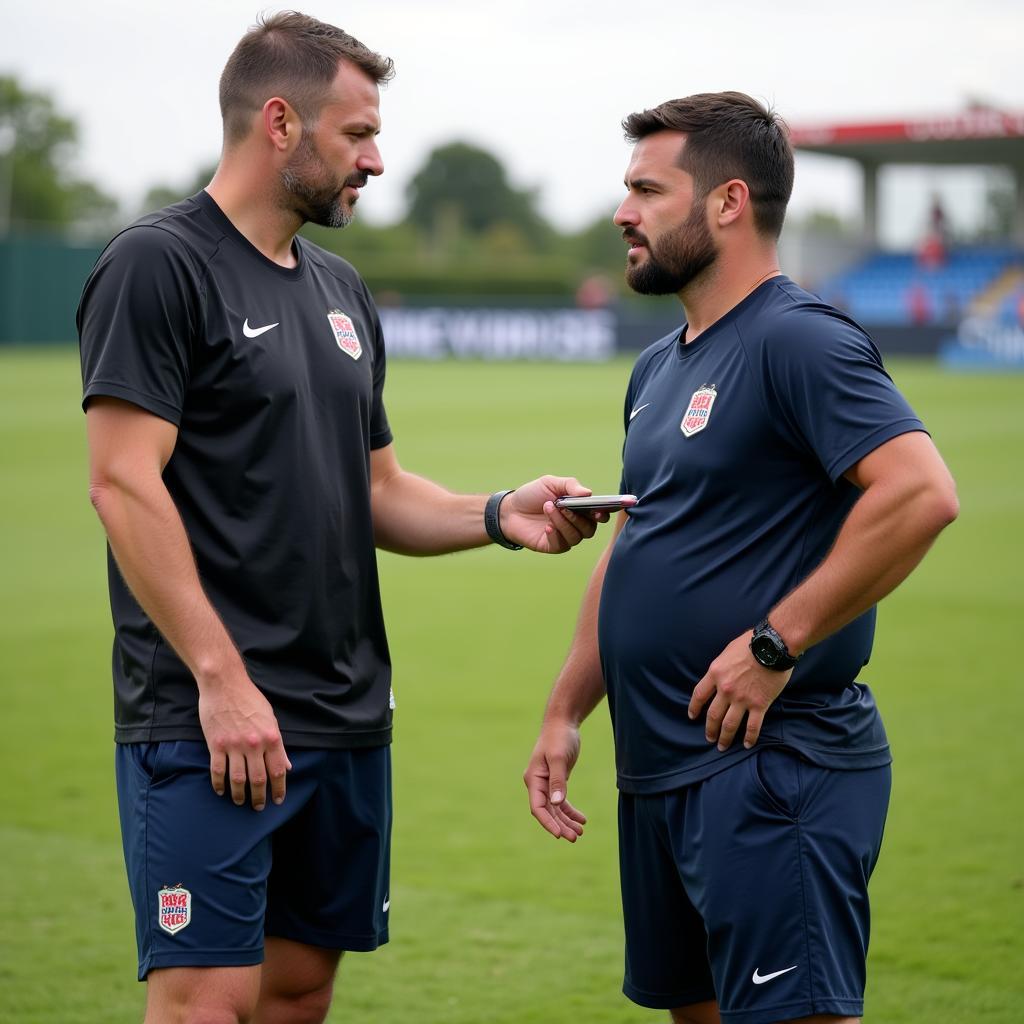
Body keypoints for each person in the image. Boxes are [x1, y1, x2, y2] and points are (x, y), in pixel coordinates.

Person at [77, 13, 602, 1024]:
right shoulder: (157, 263)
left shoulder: (340, 288)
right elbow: (122, 485)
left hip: (344, 717)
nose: (376, 157)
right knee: (202, 1000)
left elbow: (377, 490)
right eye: (357, 133)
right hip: (212, 718)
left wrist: (501, 512)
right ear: (280, 121)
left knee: (298, 993)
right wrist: (221, 681)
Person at [524, 91, 958, 1024]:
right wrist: (567, 709)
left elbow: (921, 493)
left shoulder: (797, 337)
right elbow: (644, 536)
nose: (622, 212)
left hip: (773, 765)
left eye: (646, 188)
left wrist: (774, 645)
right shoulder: (659, 366)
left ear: (727, 202)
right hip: (662, 768)